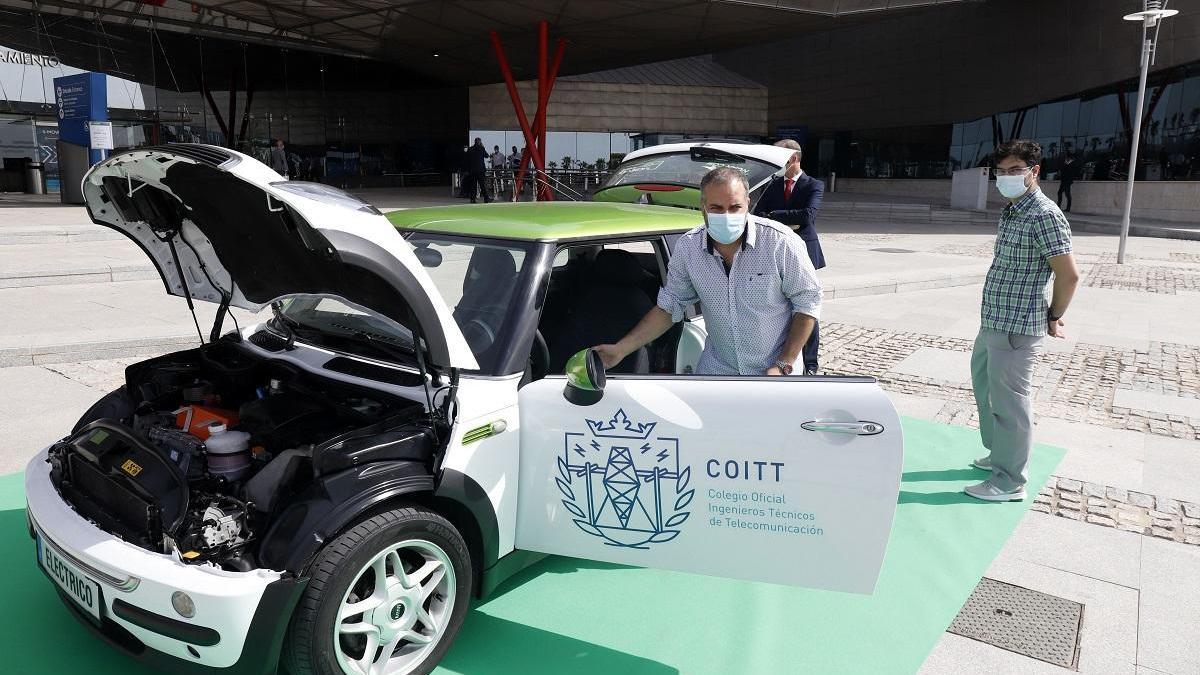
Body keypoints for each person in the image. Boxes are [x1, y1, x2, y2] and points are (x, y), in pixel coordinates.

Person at [595, 166, 822, 376]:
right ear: (703, 207)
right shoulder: (688, 248)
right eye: (716, 208)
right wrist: (621, 349)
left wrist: (784, 363)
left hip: (775, 372)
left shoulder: (780, 243)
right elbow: (670, 305)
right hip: (716, 373)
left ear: (748, 203)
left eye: (735, 207)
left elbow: (808, 302)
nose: (727, 216)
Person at [968, 139, 1080, 502]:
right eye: (1000, 172)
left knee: (1011, 403)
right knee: (985, 389)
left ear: (1034, 171)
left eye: (1014, 170)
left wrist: (1055, 315)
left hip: (1017, 326)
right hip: (994, 319)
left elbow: (1068, 275)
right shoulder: (1013, 209)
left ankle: (1009, 480)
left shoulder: (1044, 214)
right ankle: (998, 455)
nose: (1006, 177)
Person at [753, 139, 826, 375]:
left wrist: (773, 215)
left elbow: (807, 216)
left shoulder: (813, 185)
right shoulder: (772, 184)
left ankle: (811, 363)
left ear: (794, 158)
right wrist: (783, 218)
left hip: (805, 250)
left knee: (806, 307)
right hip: (774, 251)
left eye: (780, 157)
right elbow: (758, 213)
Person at [464, 138, 492, 204]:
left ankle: (472, 199)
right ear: (479, 142)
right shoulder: (481, 148)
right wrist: (482, 146)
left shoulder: (470, 149)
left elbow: (467, 160)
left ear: (474, 142)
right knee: (483, 185)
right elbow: (487, 156)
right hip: (480, 170)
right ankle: (486, 199)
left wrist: (468, 170)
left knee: (473, 186)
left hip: (472, 171)